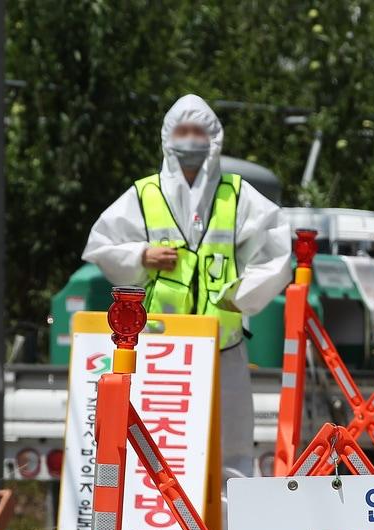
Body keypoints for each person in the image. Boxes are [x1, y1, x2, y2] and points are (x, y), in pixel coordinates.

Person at [84, 94, 292, 479]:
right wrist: (141, 256)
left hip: (222, 345)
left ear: (214, 138)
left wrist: (240, 296)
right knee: (161, 443)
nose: (191, 139)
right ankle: (160, 529)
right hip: (162, 348)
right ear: (167, 138)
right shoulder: (145, 194)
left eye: (199, 131)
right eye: (182, 131)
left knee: (229, 445)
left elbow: (277, 250)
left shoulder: (237, 194)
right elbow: (101, 245)